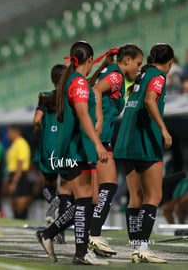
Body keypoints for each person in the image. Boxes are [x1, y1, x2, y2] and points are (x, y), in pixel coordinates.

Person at [36, 41, 109, 265]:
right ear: (89, 59)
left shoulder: (74, 81)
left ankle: (51, 236)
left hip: (73, 149)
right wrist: (97, 143)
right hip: (76, 149)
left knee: (84, 201)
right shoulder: (77, 82)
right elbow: (83, 115)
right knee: (85, 201)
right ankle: (77, 253)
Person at [113, 43, 174, 263]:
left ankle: (136, 248)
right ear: (170, 63)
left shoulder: (143, 74)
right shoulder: (158, 76)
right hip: (145, 142)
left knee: (135, 198)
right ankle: (143, 249)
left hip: (125, 143)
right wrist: (163, 129)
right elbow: (150, 100)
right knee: (154, 196)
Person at [87, 44, 144, 257]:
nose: (139, 68)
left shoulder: (112, 74)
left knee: (95, 194)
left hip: (98, 137)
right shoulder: (116, 76)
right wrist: (100, 119)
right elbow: (95, 91)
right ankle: (93, 235)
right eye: (138, 63)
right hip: (99, 138)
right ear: (126, 60)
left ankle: (90, 236)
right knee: (109, 186)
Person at [33, 64, 73, 243]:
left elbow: (37, 119)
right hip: (64, 147)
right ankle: (60, 232)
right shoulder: (71, 97)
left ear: (52, 80)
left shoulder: (45, 97)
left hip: (48, 146)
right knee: (66, 188)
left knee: (47, 184)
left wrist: (37, 127)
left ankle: (53, 199)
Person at [5, 125, 32, 219]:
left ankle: (22, 218)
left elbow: (20, 163)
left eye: (9, 132)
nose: (8, 135)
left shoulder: (21, 143)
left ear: (15, 132)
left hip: (19, 174)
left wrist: (14, 181)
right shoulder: (14, 144)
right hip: (14, 174)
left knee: (20, 204)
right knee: (14, 203)